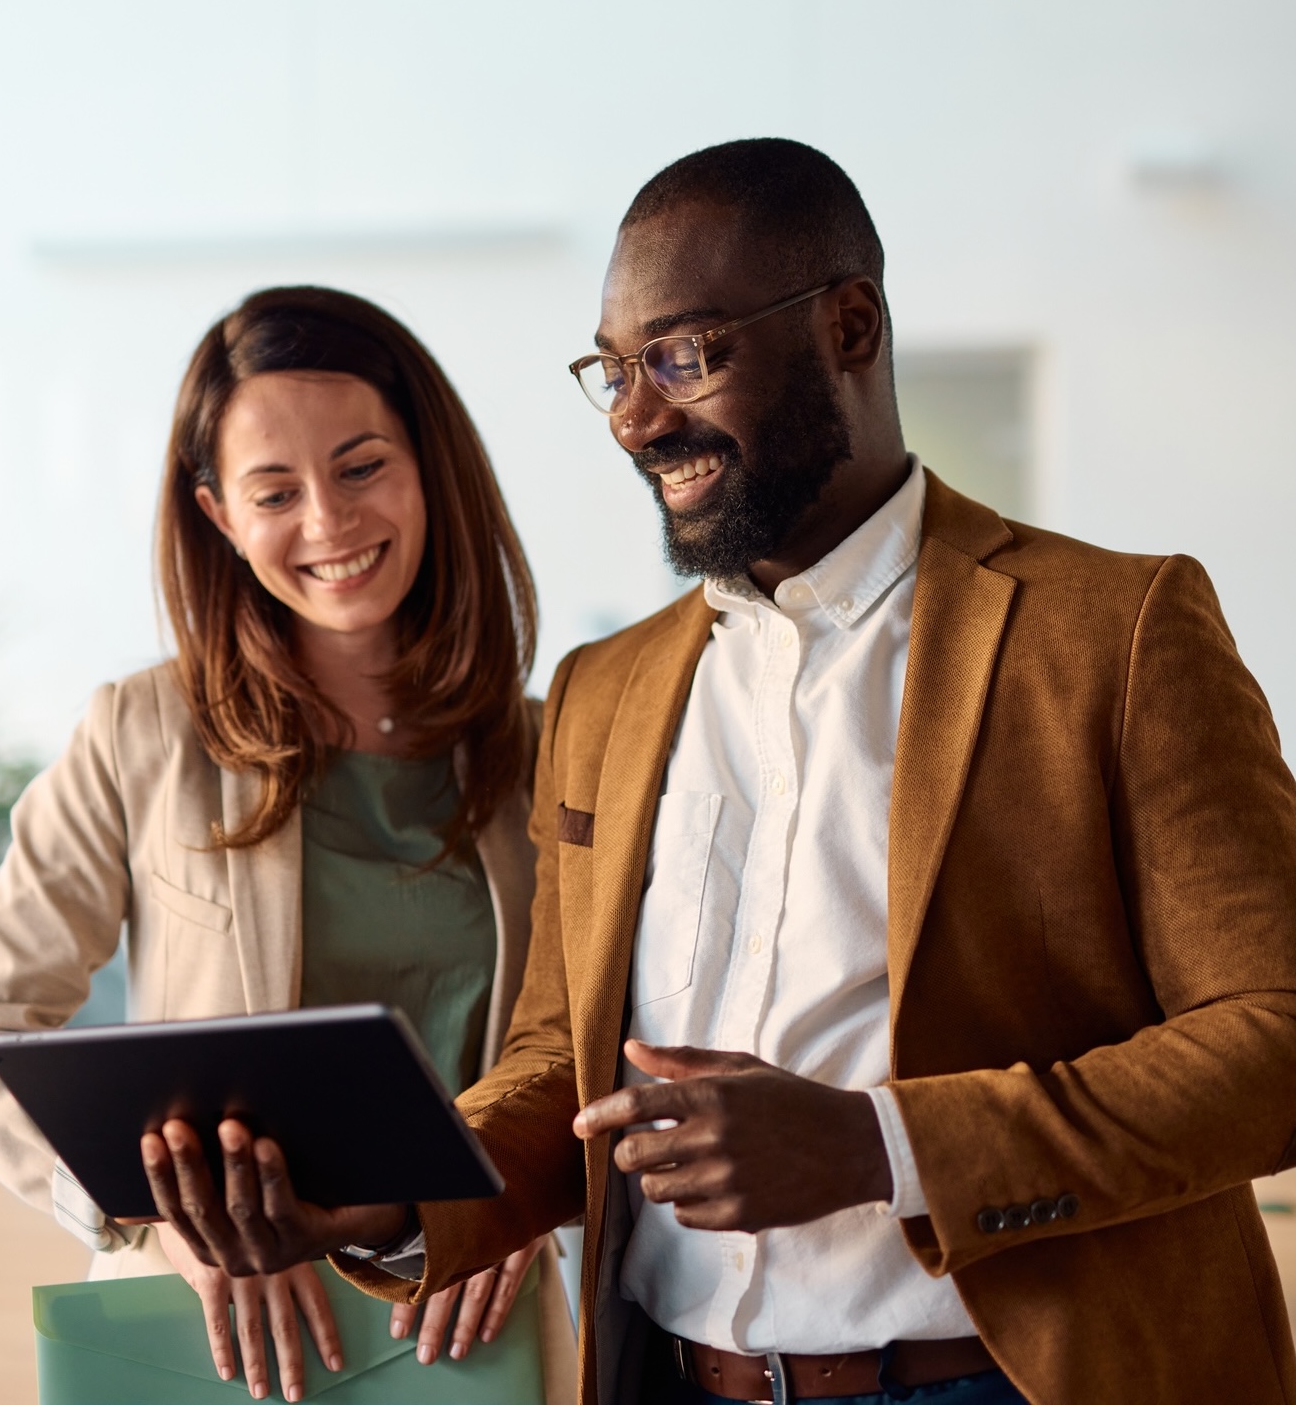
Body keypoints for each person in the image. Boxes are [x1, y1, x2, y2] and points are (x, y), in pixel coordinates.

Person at [125, 143, 1296, 1405]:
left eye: (684, 355)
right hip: (678, 1381)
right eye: (614, 370)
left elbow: (1273, 1038)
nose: (636, 418)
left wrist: (878, 1146)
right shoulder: (605, 690)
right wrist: (396, 1199)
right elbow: (563, 1066)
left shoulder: (1114, 632)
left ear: (850, 326)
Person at [0, 285, 576, 1403]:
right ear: (220, 516)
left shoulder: (552, 753)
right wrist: (159, 1221)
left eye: (362, 467)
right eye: (275, 492)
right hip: (205, 1338)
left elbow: (599, 1055)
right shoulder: (140, 732)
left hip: (464, 1339)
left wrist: (515, 1198)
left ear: (430, 468)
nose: (328, 522)